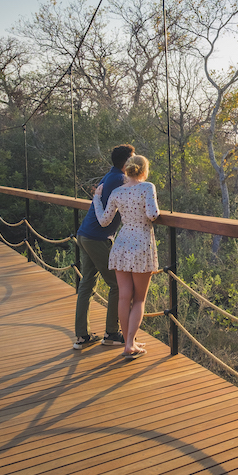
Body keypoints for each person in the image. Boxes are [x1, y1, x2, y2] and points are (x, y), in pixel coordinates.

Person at [93, 154, 160, 358]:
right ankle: (130, 344)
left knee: (124, 297)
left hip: (122, 243)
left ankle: (128, 342)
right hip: (141, 244)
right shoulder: (147, 187)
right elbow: (153, 214)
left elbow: (104, 221)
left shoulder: (116, 192)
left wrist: (97, 198)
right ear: (143, 170)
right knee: (139, 299)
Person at [72, 143, 134, 350]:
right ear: (126, 162)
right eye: (133, 158)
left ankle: (82, 336)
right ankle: (111, 333)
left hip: (85, 235)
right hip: (97, 238)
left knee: (86, 285)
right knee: (117, 285)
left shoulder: (110, 176)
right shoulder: (120, 179)